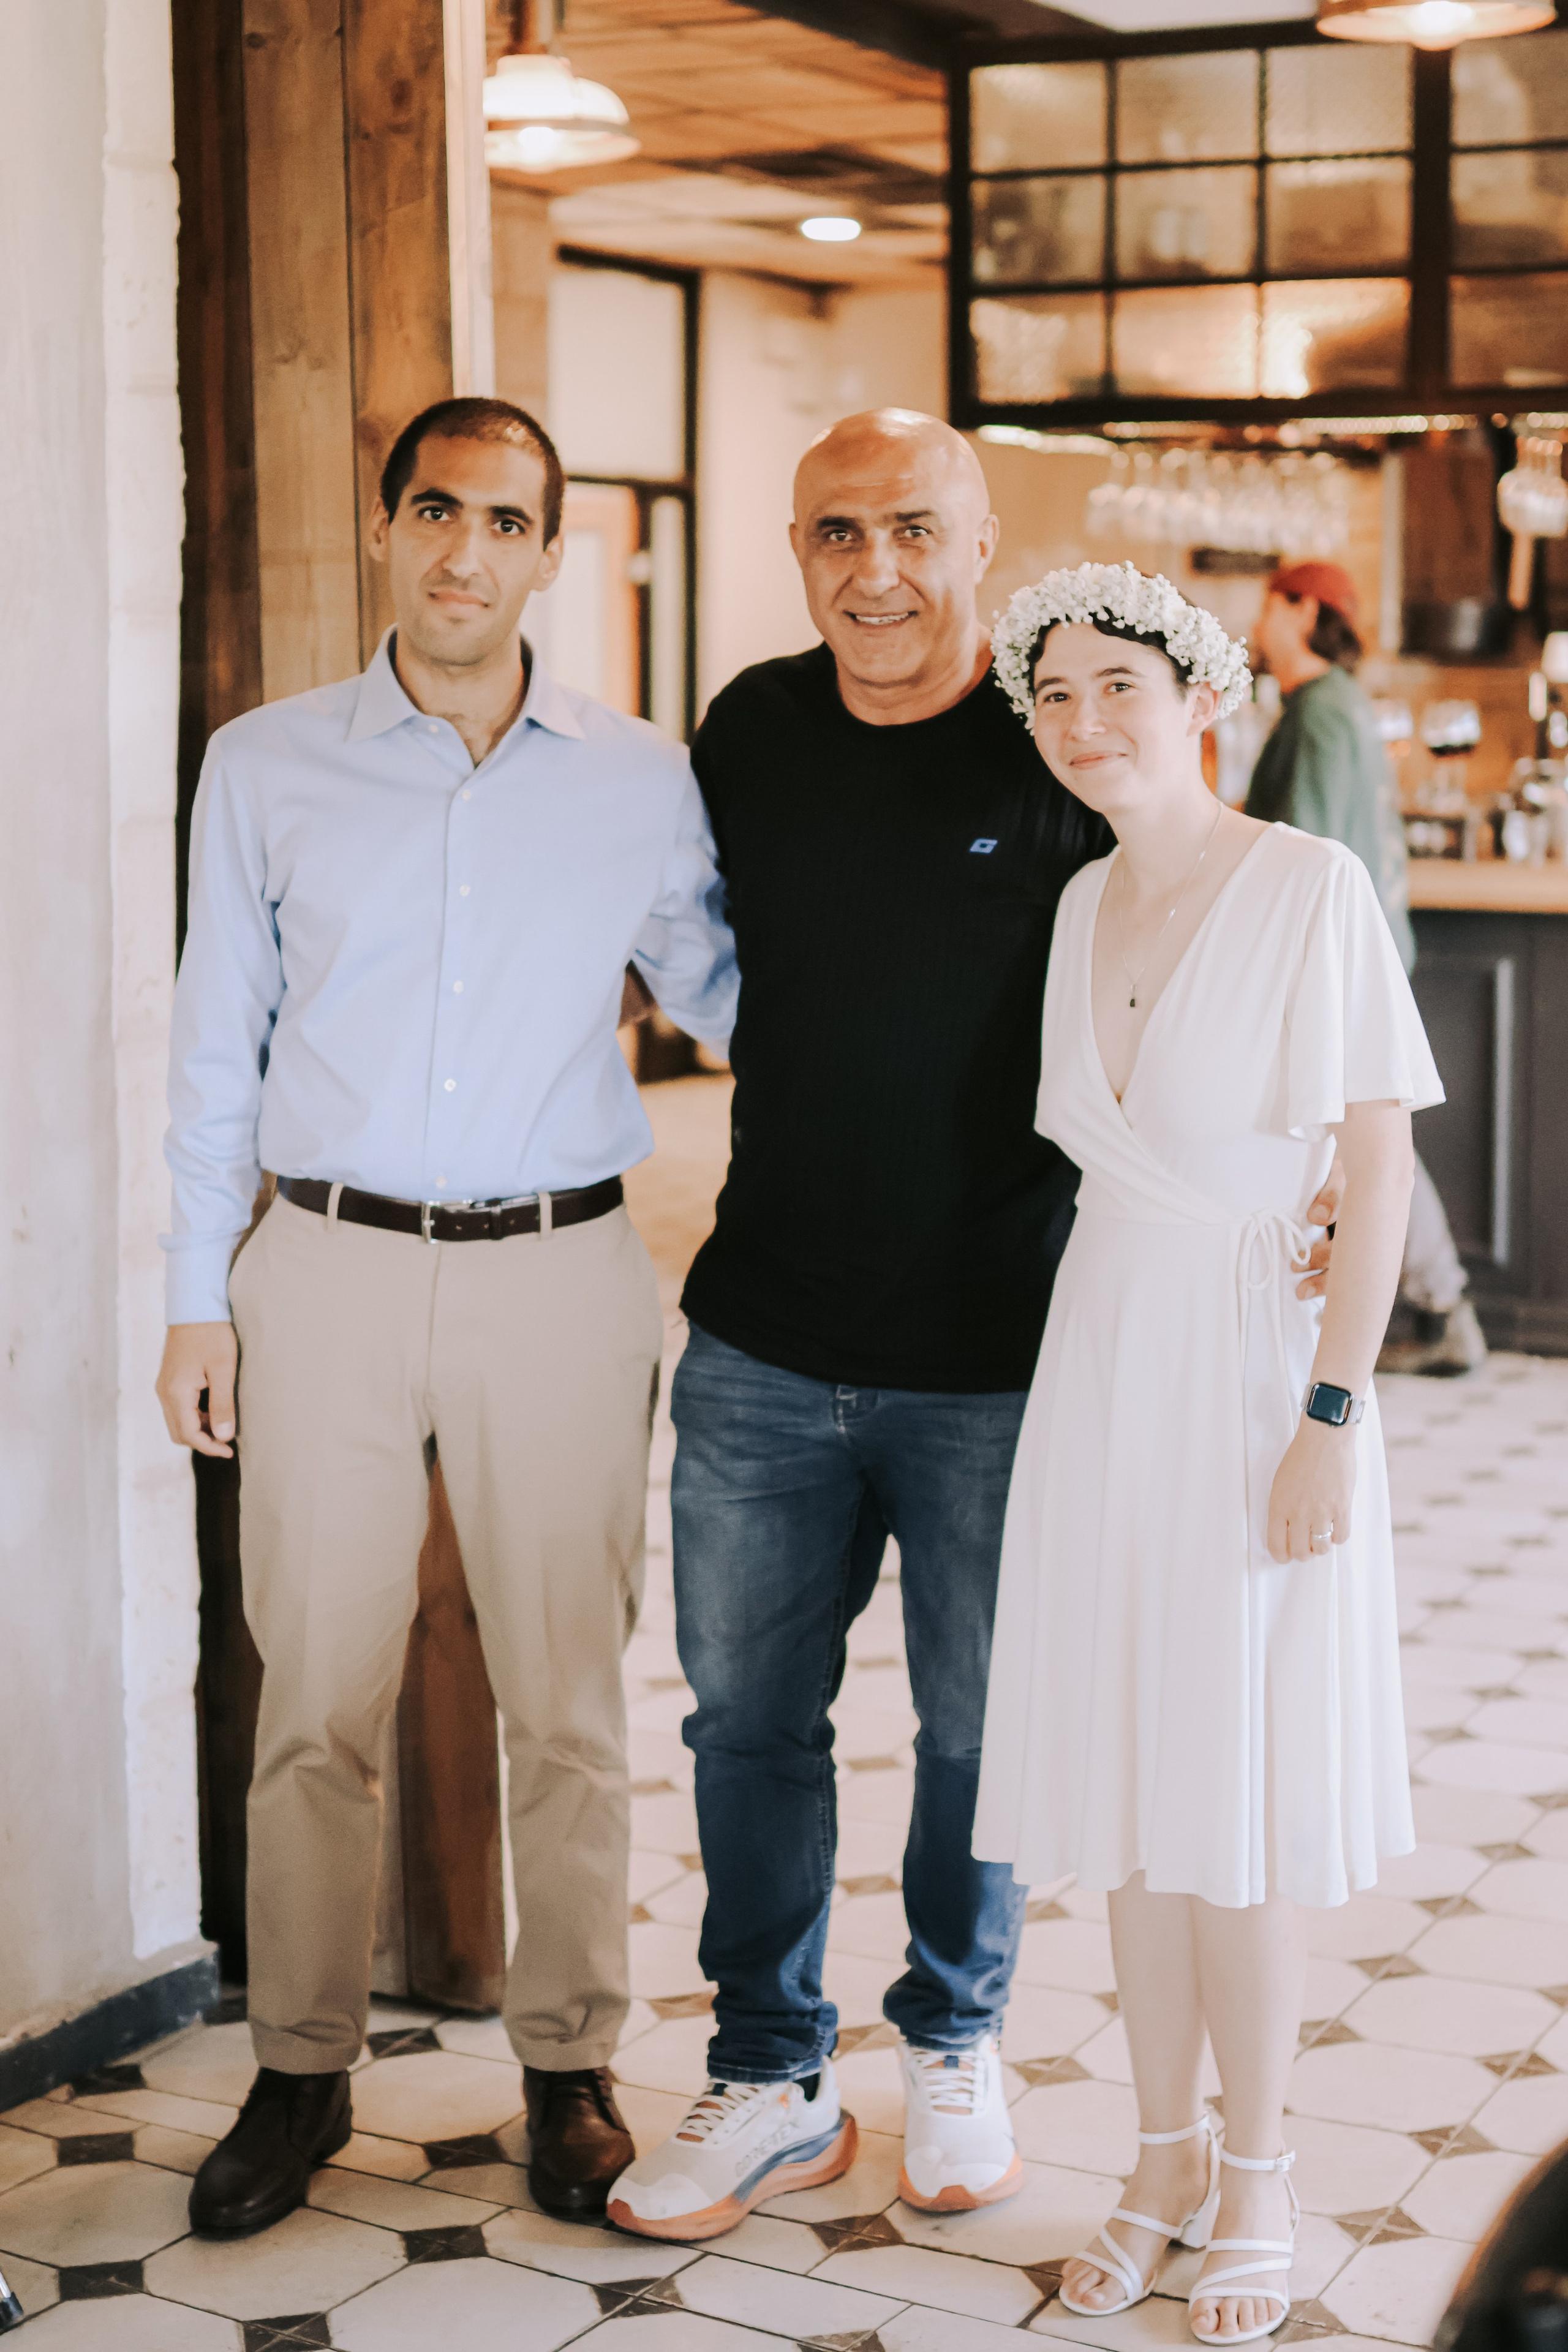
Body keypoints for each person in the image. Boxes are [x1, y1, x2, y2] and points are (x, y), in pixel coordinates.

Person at [606, 418, 1341, 2244]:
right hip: (762, 1332)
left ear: (981, 539)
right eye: (835, 533)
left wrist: (1310, 1173)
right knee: (745, 1727)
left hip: (1006, 1348)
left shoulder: (1057, 736)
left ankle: (955, 2041)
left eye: (914, 530)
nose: (876, 570)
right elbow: (715, 956)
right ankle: (770, 2072)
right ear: (797, 547)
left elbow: (1208, 936)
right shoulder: (749, 730)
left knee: (978, 1734)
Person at [156, 396, 737, 2238]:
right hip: (322, 1266)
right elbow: (212, 1047)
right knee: (311, 1700)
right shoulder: (264, 765)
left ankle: (568, 2063)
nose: (464, 550)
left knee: (567, 1700)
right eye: (434, 510)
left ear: (549, 552)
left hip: (563, 1270)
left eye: (503, 520)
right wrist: (193, 1302)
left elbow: (741, 995)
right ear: (387, 528)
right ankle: (301, 2066)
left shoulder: (639, 778)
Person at [974, 562, 1440, 2343]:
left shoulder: (1306, 887)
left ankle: (1260, 2176)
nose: (1084, 720)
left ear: (1203, 699)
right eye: (1055, 694)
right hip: (1104, 1360)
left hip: (1251, 1372)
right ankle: (1158, 2158)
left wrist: (1329, 1412)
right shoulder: (1077, 901)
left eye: (1119, 685)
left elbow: (1372, 1169)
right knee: (1134, 1799)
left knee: (1229, 1802)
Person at [1247, 562, 1484, 1379]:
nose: (1256, 624)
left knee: (1371, 1144)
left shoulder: (1318, 712)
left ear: (1300, 611)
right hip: (1365, 949)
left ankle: (1440, 1306)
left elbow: (1300, 849)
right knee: (1371, 1135)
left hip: (1330, 960)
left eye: (1268, 605)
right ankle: (1433, 1305)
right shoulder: (1339, 703)